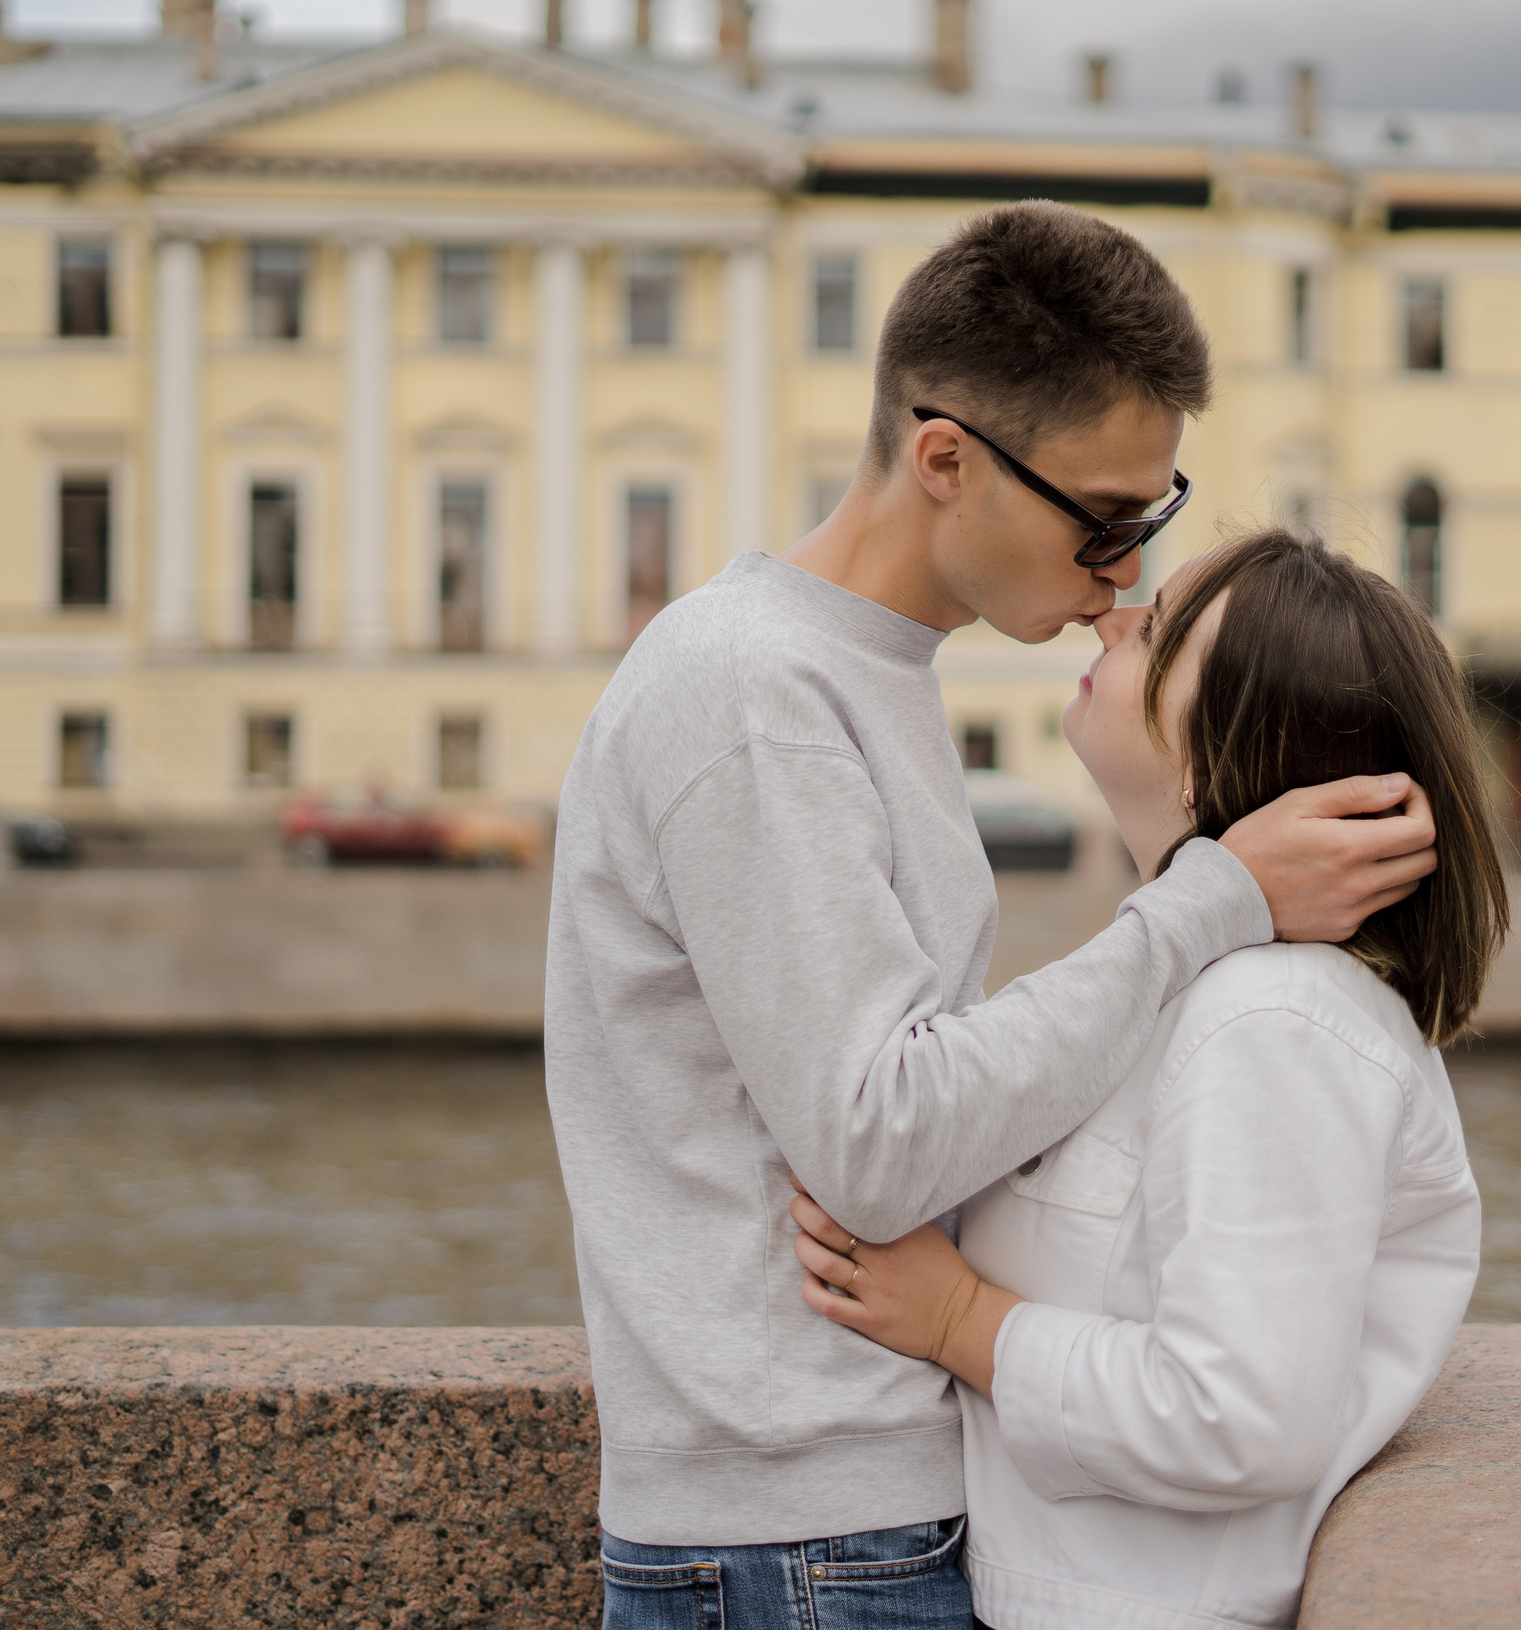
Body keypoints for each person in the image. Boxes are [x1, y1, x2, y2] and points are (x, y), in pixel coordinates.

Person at [544, 203, 1440, 1630]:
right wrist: (1214, 897)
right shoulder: (757, 690)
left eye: (1152, 518)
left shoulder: (860, 671)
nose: (1124, 571)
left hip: (828, 1510)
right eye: (1103, 519)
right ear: (945, 459)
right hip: (802, 1527)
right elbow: (878, 1144)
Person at [790, 528, 1510, 1630]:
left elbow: (1239, 1416)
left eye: (1160, 626)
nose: (1111, 612)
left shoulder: (1272, 1018)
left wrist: (962, 1322)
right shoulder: (1209, 994)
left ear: (1214, 755)